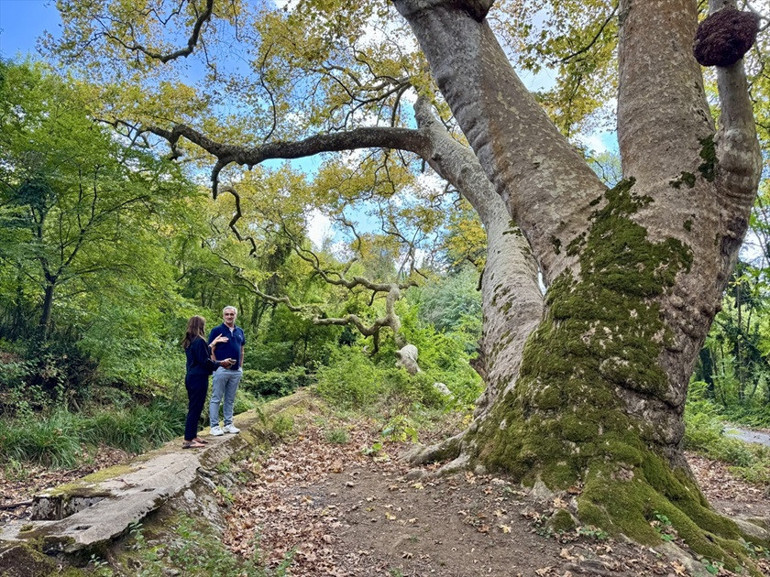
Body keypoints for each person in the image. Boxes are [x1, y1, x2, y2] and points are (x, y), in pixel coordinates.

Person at [182, 316, 233, 449]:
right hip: (198, 379)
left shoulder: (190, 341)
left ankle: (193, 435)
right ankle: (188, 440)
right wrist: (221, 363)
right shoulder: (199, 341)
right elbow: (205, 362)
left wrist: (212, 344)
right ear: (200, 326)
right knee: (195, 408)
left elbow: (201, 355)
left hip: (191, 377)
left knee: (196, 407)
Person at [208, 305, 246, 436]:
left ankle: (228, 424)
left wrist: (240, 366)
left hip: (236, 371)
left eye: (232, 314)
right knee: (216, 398)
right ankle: (214, 426)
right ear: (223, 316)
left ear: (235, 315)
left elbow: (241, 349)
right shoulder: (216, 330)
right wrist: (216, 365)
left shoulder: (240, 331)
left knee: (230, 399)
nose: (229, 316)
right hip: (221, 370)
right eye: (227, 314)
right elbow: (210, 349)